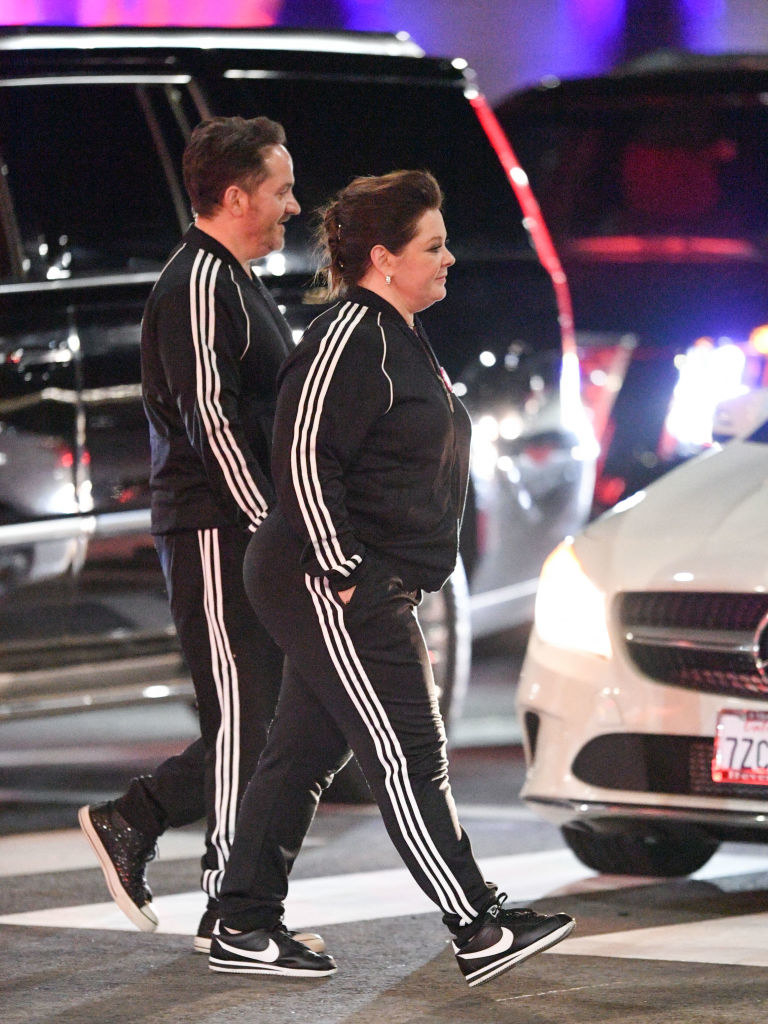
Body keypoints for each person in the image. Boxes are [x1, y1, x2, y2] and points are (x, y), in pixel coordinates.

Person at [208, 170, 575, 986]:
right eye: (433, 247)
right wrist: (344, 571)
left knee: (304, 750)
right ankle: (477, 924)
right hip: (329, 575)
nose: (449, 260)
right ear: (383, 258)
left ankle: (243, 921)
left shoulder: (396, 332)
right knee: (409, 747)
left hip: (358, 576)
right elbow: (304, 458)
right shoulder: (347, 336)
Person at [77, 116, 321, 956]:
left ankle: (149, 830)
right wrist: (270, 526)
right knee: (250, 718)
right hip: (216, 531)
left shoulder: (230, 279)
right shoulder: (197, 284)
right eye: (282, 191)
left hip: (238, 530)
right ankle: (229, 908)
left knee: (264, 715)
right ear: (236, 195)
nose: (294, 207)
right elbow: (210, 420)